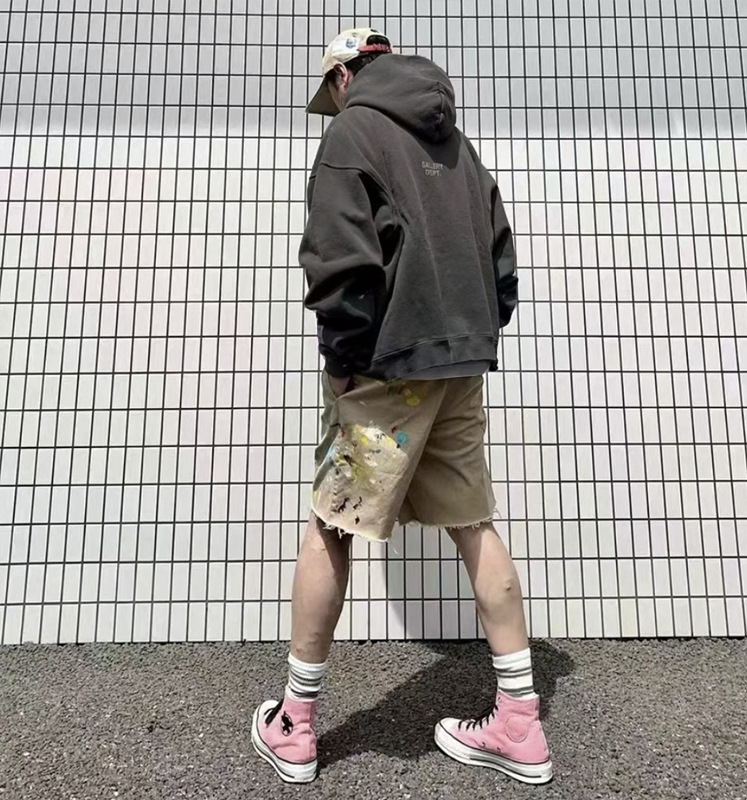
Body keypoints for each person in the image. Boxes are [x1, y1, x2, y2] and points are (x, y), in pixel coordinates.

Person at [250, 27, 552, 786]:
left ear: (344, 76)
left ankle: (295, 724)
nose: (334, 107)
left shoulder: (353, 134)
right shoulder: (455, 141)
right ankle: (520, 721)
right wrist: (476, 329)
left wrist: (346, 361)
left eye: (332, 93)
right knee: (474, 524)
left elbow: (340, 259)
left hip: (387, 370)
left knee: (332, 527)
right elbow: (500, 255)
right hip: (459, 363)